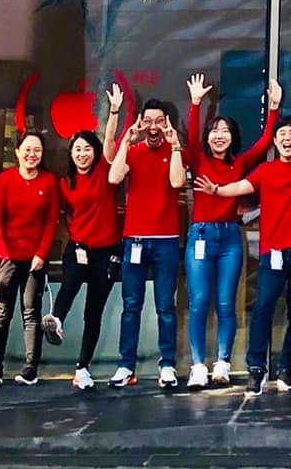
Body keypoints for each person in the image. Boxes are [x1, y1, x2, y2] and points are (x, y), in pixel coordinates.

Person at [198, 108, 291, 395]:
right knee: (263, 308)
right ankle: (256, 369)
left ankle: (288, 369)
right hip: (272, 251)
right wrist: (216, 190)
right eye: (281, 135)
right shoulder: (266, 170)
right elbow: (240, 186)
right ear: (275, 140)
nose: (286, 139)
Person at [181, 74, 278, 390]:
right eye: (215, 131)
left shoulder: (239, 163)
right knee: (199, 302)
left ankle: (222, 362)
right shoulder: (198, 159)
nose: (218, 136)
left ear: (232, 137)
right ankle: (198, 365)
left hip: (230, 238)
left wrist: (274, 108)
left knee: (225, 302)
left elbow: (265, 143)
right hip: (201, 236)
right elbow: (192, 137)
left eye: (225, 131)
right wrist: (195, 104)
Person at [108, 96, 188, 388]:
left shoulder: (175, 149)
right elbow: (114, 177)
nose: (153, 127)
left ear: (166, 123)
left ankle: (167, 364)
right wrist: (126, 142)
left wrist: (175, 144)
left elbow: (178, 182)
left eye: (159, 121)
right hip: (135, 240)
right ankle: (125, 366)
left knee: (165, 306)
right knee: (132, 306)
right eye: (148, 121)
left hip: (166, 240)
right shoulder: (133, 150)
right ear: (141, 123)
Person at [48, 90, 124, 391]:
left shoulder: (105, 171)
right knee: (71, 280)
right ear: (71, 154)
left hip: (106, 251)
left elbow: (109, 143)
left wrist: (114, 112)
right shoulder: (64, 183)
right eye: (77, 150)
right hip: (78, 247)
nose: (82, 154)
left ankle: (83, 367)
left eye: (86, 149)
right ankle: (56, 320)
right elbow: (64, 215)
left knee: (94, 311)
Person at [0, 131, 62, 386]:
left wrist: (42, 253)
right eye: (27, 149)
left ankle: (31, 368)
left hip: (34, 260)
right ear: (17, 152)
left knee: (31, 313)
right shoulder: (4, 180)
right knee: (1, 313)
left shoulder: (49, 181)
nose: (31, 154)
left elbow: (51, 222)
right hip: (6, 257)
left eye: (37, 150)